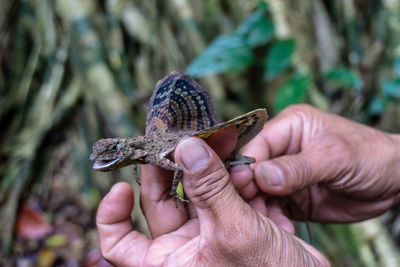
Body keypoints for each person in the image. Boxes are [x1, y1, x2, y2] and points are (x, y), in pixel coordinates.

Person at [96, 104, 400, 266]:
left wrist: (180, 192)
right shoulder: (142, 155)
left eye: (112, 153)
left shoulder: (149, 153)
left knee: (241, 166)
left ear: (125, 151)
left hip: (210, 152)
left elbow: (177, 166)